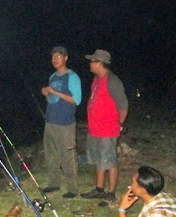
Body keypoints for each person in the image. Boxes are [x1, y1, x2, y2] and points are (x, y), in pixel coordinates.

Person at [80, 49, 129, 202]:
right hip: (95, 129)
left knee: (110, 161)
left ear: (99, 63)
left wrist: (119, 125)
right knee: (99, 160)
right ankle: (99, 189)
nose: (90, 64)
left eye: (92, 61)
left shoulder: (113, 81)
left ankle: (111, 193)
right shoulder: (97, 79)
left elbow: (123, 105)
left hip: (108, 129)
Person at [41, 46, 82, 198]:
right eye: (53, 57)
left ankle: (72, 188)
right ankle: (54, 183)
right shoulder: (52, 77)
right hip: (50, 121)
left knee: (67, 156)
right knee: (51, 155)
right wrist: (46, 93)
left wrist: (56, 92)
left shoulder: (72, 77)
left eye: (58, 56)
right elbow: (52, 99)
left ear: (65, 58)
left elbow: (76, 100)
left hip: (65, 124)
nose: (55, 59)